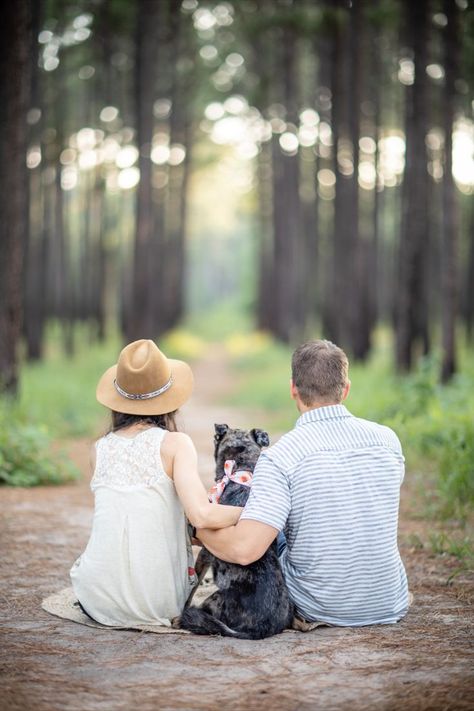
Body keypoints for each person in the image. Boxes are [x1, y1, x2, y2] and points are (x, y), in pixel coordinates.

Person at [197, 339, 410, 627]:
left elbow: (245, 551)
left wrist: (201, 529)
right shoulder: (388, 441)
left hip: (317, 604)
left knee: (265, 522)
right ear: (345, 389)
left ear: (293, 389)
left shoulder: (281, 456)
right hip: (389, 601)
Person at [70, 339, 242, 628]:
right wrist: (253, 508)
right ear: (169, 399)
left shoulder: (98, 448)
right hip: (158, 601)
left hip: (95, 595)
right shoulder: (174, 444)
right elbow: (200, 515)